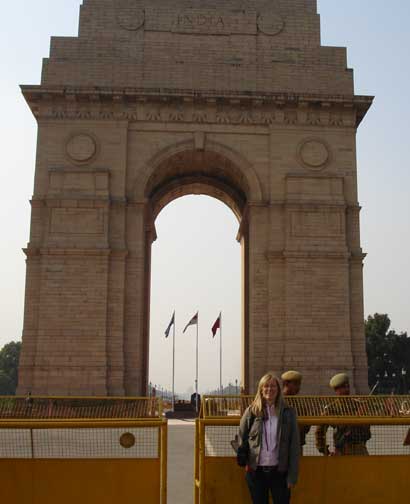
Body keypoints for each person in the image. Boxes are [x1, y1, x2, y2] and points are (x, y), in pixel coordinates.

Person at [239, 372, 300, 504]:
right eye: (266, 386)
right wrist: (245, 459)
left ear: (278, 390)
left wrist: (292, 477)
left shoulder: (288, 413)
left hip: (280, 472)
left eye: (273, 386)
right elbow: (241, 438)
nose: (269, 389)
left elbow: (294, 446)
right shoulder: (251, 412)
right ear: (261, 389)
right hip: (256, 472)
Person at [315, 373, 371, 456]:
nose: (347, 389)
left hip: (359, 448)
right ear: (336, 390)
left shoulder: (358, 405)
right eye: (343, 387)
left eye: (347, 386)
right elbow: (319, 431)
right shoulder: (331, 408)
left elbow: (367, 431)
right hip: (341, 450)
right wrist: (325, 451)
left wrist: (360, 422)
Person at [281, 370, 310, 452]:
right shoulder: (278, 402)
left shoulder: (299, 404)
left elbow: (306, 428)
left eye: (299, 385)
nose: (298, 388)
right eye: (295, 384)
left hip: (297, 445)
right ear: (286, 384)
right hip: (282, 446)